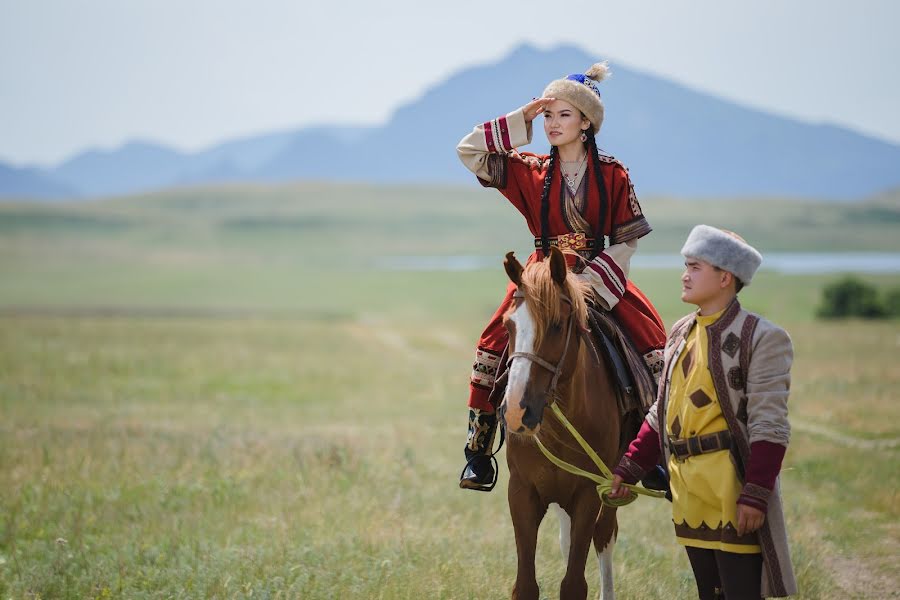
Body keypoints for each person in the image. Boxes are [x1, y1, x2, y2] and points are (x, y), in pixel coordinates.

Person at [456, 62, 666, 491]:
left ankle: (652, 454)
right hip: (539, 277)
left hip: (598, 275)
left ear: (587, 122)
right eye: (549, 115)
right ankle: (479, 453)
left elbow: (626, 241)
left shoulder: (613, 173)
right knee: (491, 348)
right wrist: (523, 118)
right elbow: (470, 151)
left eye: (563, 115)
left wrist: (592, 283)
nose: (553, 124)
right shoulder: (530, 170)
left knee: (654, 351)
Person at [608, 225, 797, 599]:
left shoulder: (761, 337)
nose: (684, 275)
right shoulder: (679, 331)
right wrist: (629, 467)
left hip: (732, 488)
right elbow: (662, 411)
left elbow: (769, 425)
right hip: (689, 492)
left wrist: (756, 494)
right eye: (686, 266)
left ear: (725, 277)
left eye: (695, 267)